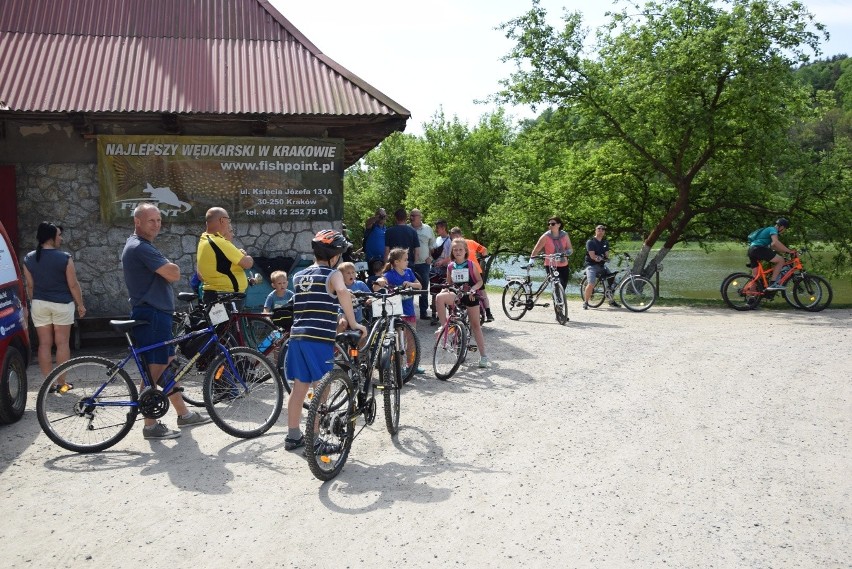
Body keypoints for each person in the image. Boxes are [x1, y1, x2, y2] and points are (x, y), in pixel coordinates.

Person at [121, 203, 211, 439]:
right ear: (137, 222)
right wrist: (170, 266)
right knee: (155, 368)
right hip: (152, 314)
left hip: (156, 313)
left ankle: (184, 414)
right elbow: (173, 273)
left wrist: (169, 267)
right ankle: (150, 424)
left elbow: (170, 271)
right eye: (151, 220)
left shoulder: (142, 246)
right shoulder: (140, 247)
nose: (157, 224)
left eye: (159, 220)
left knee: (165, 362)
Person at [285, 230, 366, 452]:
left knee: (299, 387)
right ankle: (315, 438)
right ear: (335, 256)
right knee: (323, 387)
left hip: (297, 336)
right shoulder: (333, 274)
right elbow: (342, 292)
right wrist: (353, 322)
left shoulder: (299, 276)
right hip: (318, 338)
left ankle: (293, 436)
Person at [22, 222, 86, 390]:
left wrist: (32, 302)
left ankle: (47, 385)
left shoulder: (29, 258)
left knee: (44, 344)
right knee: (62, 343)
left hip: (39, 304)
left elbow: (30, 286)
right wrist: (80, 304)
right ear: (51, 238)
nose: (61, 238)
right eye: (59, 235)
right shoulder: (65, 257)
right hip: (62, 304)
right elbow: (73, 284)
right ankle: (62, 384)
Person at [434, 238, 489, 368]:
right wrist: (444, 289)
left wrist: (473, 289)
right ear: (452, 251)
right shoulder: (450, 266)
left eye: (460, 249)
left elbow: (480, 282)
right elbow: (449, 284)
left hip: (470, 295)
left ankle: (483, 355)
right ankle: (444, 327)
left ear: (465, 251)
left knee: (475, 325)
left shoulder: (470, 264)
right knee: (439, 298)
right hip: (457, 295)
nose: (458, 252)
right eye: (455, 250)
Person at [196, 207, 254, 303]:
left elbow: (201, 275)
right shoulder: (219, 242)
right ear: (222, 220)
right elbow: (247, 263)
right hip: (225, 297)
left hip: (215, 295)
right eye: (228, 220)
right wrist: (248, 258)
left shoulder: (204, 239)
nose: (229, 224)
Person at [382, 247, 425, 374]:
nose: (407, 262)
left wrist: (410, 284)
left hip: (409, 311)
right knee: (399, 342)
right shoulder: (389, 275)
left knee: (412, 339)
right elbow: (380, 283)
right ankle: (399, 367)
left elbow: (419, 285)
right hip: (396, 313)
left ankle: (412, 364)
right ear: (396, 262)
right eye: (405, 260)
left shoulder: (409, 272)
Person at [449, 226, 494, 322]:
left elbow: (484, 249)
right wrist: (483, 258)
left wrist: (481, 259)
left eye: (456, 236)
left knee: (480, 291)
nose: (455, 239)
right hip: (467, 269)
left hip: (473, 269)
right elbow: (484, 250)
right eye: (453, 237)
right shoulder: (463, 244)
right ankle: (487, 312)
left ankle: (488, 312)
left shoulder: (464, 243)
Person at [747, 218, 795, 290]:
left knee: (755, 278)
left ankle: (751, 297)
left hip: (752, 250)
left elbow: (773, 246)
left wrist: (786, 251)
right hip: (759, 249)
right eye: (785, 229)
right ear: (781, 227)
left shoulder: (768, 230)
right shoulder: (773, 229)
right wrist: (789, 251)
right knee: (781, 260)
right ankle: (773, 283)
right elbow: (776, 242)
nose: (784, 231)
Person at [530, 216, 574, 291]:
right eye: (549, 224)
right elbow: (536, 249)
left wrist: (565, 253)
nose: (550, 225)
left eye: (553, 224)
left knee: (563, 285)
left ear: (559, 225)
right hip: (551, 264)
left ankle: (561, 301)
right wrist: (531, 261)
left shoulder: (565, 235)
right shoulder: (545, 236)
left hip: (564, 264)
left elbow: (570, 249)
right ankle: (557, 301)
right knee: (556, 284)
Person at [583, 225, 619, 309]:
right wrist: (597, 258)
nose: (601, 230)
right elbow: (592, 256)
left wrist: (604, 258)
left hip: (602, 266)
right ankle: (585, 302)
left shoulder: (605, 242)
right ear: (595, 231)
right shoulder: (590, 242)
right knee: (591, 283)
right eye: (599, 229)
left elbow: (606, 255)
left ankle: (611, 300)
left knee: (613, 282)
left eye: (603, 229)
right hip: (591, 266)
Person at [409, 208, 435, 320]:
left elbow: (432, 245)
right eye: (411, 215)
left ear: (420, 217)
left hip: (424, 263)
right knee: (407, 287)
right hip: (409, 263)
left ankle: (423, 312)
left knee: (424, 287)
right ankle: (408, 312)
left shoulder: (428, 229)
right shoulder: (407, 228)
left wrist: (431, 257)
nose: (412, 217)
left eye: (414, 215)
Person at [336, 261, 371, 328]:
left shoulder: (360, 284)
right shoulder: (340, 286)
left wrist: (369, 300)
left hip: (358, 316)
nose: (351, 275)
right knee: (342, 323)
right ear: (341, 275)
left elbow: (370, 295)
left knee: (360, 333)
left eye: (353, 272)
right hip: (343, 313)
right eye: (348, 273)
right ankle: (337, 337)